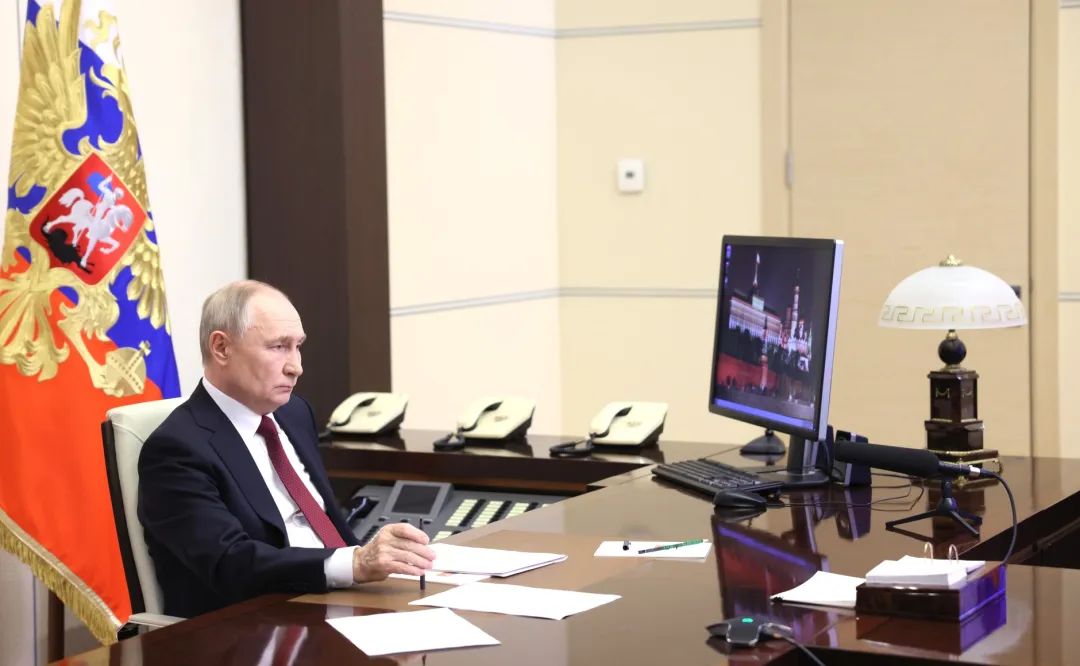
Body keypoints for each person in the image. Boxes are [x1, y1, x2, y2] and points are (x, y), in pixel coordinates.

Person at [138, 280, 435, 617]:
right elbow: (230, 562)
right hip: (257, 622)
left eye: (298, 347)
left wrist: (371, 558)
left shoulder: (295, 413)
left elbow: (327, 524)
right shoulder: (176, 449)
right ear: (221, 348)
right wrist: (354, 563)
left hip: (341, 601)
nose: (296, 366)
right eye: (279, 347)